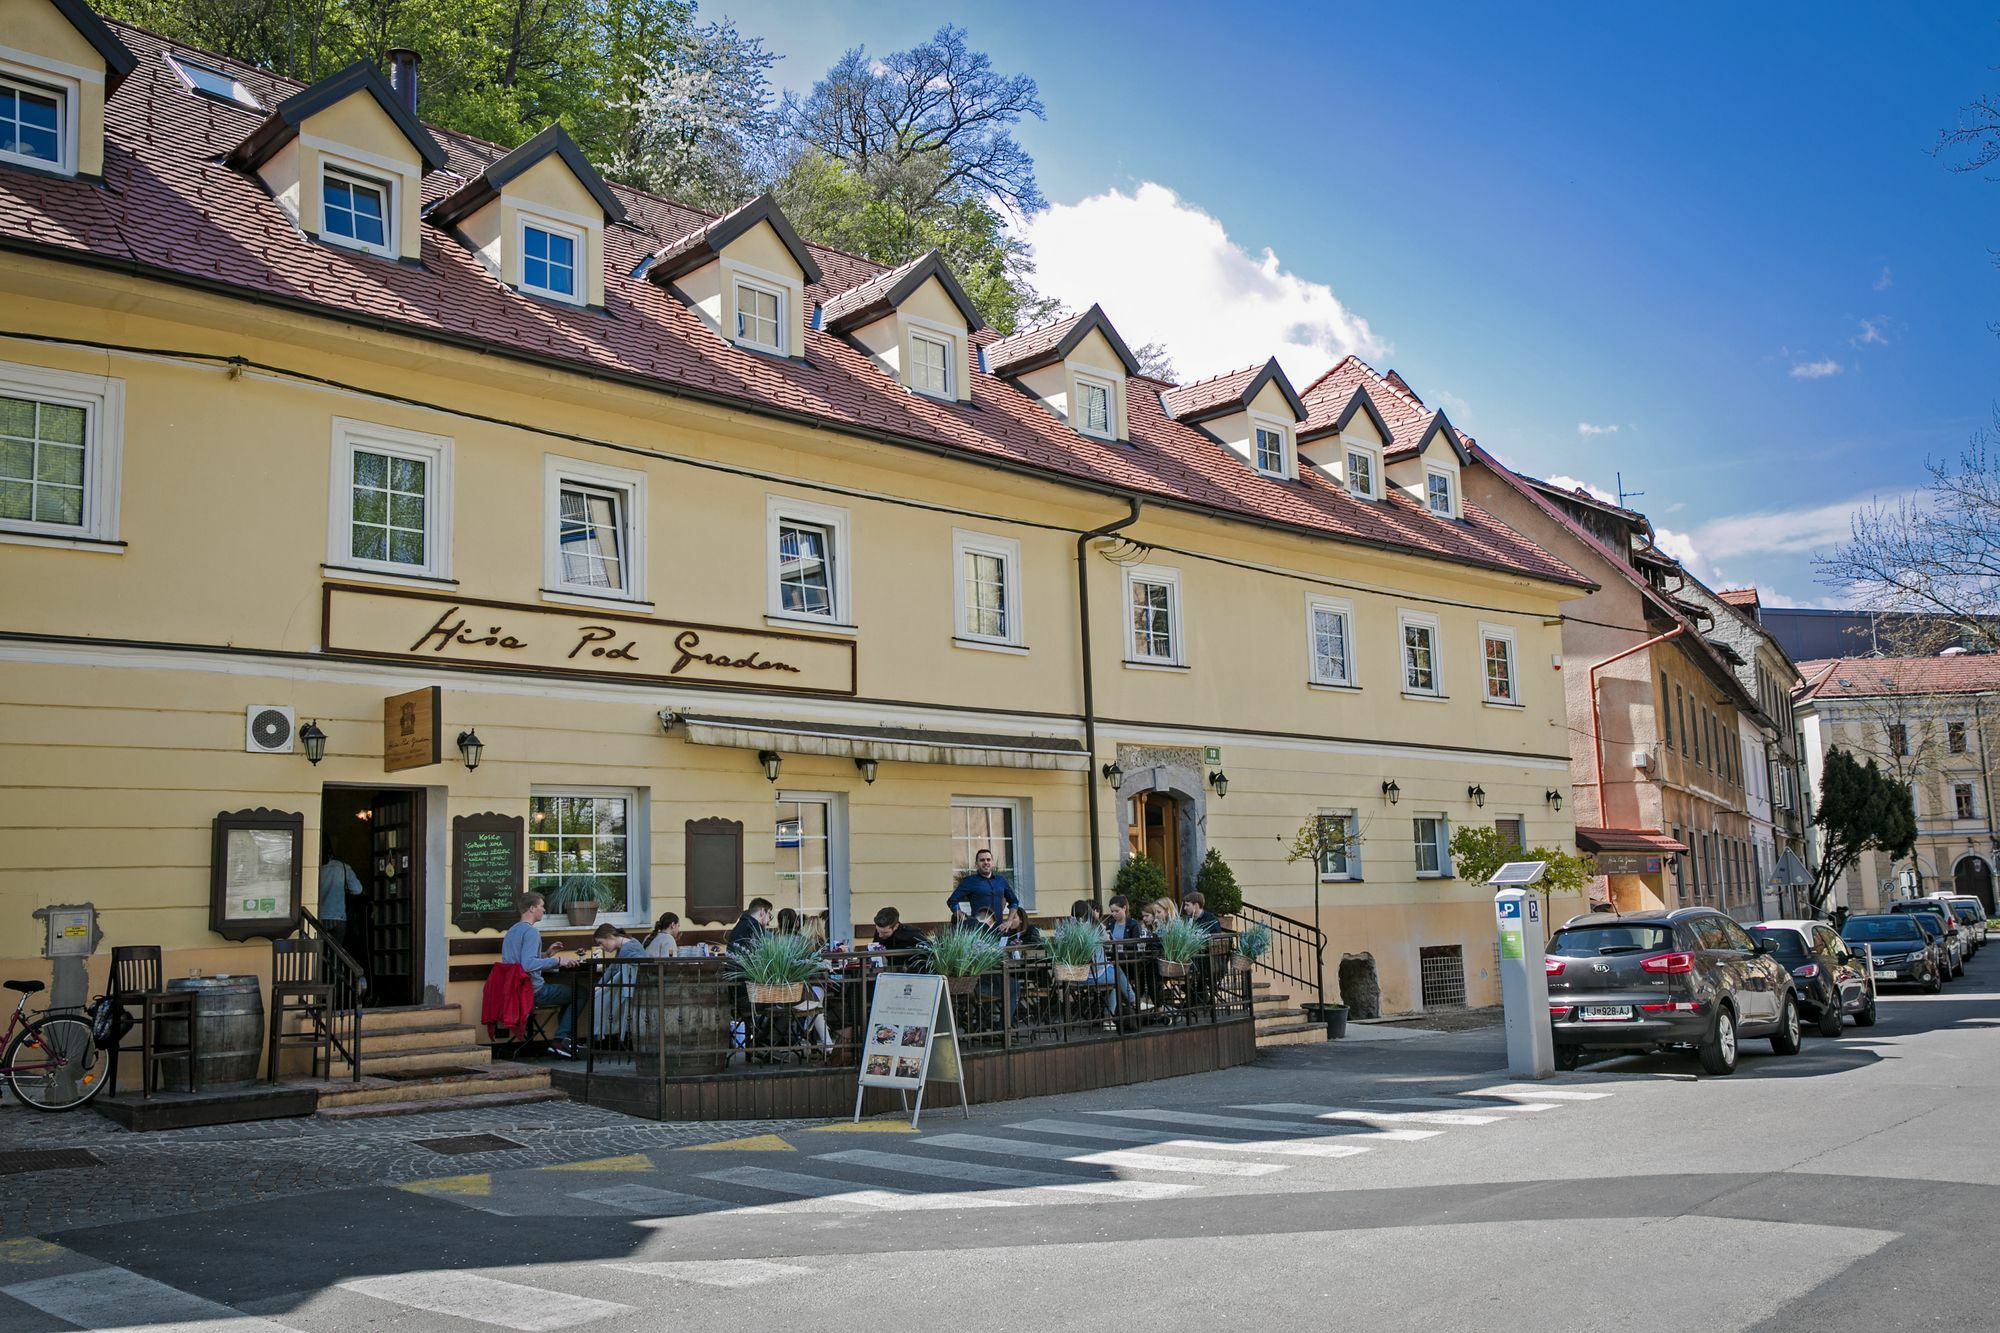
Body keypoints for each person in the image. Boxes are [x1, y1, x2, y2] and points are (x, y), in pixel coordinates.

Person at [499, 891, 584, 1058]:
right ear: (532, 908)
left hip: (514, 991)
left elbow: (521, 962)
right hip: (533, 991)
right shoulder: (531, 932)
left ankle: (563, 1039)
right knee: (581, 993)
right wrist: (558, 961)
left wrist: (547, 954)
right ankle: (561, 1040)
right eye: (541, 906)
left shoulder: (512, 931)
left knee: (573, 992)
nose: (543, 910)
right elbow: (528, 964)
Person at [946, 848, 1020, 925]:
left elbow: (1014, 902)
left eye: (988, 860)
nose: (986, 862)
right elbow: (952, 901)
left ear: (992, 862)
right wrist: (963, 919)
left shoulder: (1001, 880)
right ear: (976, 864)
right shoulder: (969, 881)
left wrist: (1009, 921)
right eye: (982, 860)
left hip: (999, 929)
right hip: (979, 930)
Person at [317, 835, 363, 951]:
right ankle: (335, 968)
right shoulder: (343, 867)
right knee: (336, 953)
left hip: (318, 917)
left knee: (319, 952)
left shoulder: (316, 868)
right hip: (338, 916)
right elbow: (358, 890)